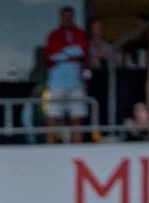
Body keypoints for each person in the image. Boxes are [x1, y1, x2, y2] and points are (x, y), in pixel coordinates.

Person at [42, 6, 90, 141]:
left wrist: (63, 53)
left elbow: (83, 51)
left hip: (76, 83)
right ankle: (50, 151)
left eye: (70, 17)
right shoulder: (53, 35)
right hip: (57, 83)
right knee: (53, 118)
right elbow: (51, 55)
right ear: (61, 17)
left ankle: (77, 152)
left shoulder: (80, 33)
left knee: (77, 119)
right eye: (65, 17)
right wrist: (71, 53)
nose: (67, 20)